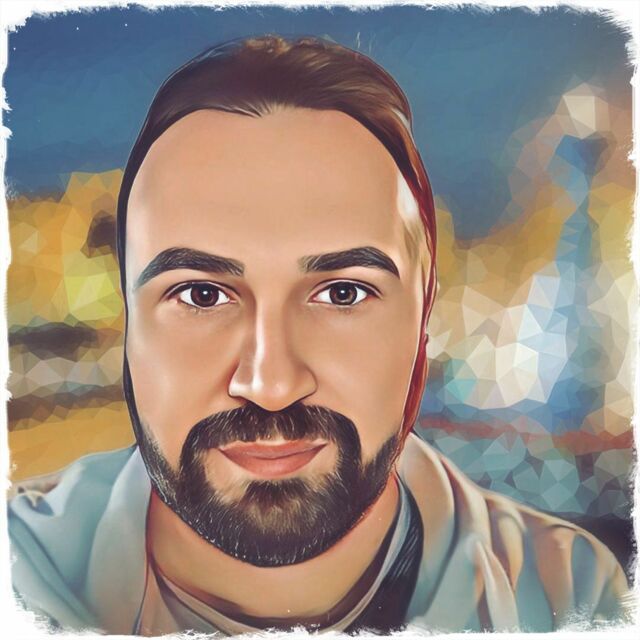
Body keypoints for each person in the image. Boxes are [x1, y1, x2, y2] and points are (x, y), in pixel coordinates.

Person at [8, 36, 631, 635]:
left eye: (343, 294)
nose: (271, 385)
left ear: (424, 312)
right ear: (128, 317)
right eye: (202, 295)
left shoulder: (570, 595)